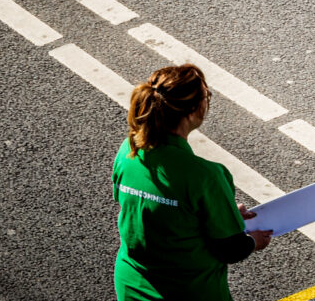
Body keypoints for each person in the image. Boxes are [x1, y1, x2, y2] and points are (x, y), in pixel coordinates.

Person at [113, 65, 271, 299]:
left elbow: (146, 207)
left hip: (132, 286)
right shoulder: (206, 175)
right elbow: (230, 249)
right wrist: (252, 242)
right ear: (194, 110)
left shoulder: (129, 151)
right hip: (189, 291)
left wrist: (222, 213)